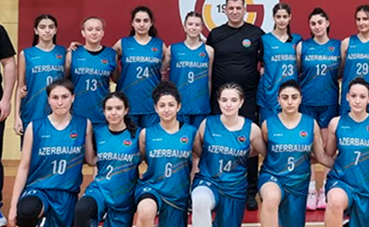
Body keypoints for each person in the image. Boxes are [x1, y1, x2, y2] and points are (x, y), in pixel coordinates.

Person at [205, 0, 265, 210]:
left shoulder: (256, 34)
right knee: (217, 143)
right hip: (220, 99)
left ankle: (250, 191)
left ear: (245, 9)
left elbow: (267, 62)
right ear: (225, 10)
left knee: (248, 141)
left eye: (238, 8)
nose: (235, 11)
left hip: (247, 97)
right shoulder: (215, 34)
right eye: (231, 8)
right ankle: (216, 187)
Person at [8, 79, 93, 227]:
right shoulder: (35, 127)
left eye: (64, 97)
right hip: (39, 190)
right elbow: (23, 167)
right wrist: (13, 206)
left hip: (67, 193)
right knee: (27, 210)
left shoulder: (84, 125)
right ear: (48, 100)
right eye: (55, 97)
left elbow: (91, 160)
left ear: (73, 98)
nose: (60, 102)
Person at [258, 80, 334, 227]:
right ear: (278, 100)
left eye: (294, 97)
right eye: (285, 97)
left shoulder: (311, 124)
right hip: (273, 176)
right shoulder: (268, 125)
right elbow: (266, 153)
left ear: (300, 99)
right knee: (271, 197)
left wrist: (344, 165)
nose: (290, 102)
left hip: (299, 182)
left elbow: (321, 157)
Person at [191, 83, 266, 227]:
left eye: (234, 100)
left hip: (234, 187)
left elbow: (265, 153)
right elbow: (199, 151)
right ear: (218, 101)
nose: (228, 104)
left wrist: (243, 154)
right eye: (224, 100)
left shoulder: (251, 129)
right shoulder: (207, 124)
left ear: (241, 102)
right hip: (208, 181)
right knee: (200, 201)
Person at [324, 77, 369, 227]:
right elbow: (329, 154)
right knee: (335, 201)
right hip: (341, 181)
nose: (357, 101)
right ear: (347, 97)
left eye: (362, 96)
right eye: (353, 96)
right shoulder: (336, 123)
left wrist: (366, 161)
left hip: (367, 187)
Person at [135, 81, 198, 227]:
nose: (167, 109)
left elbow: (198, 156)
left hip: (178, 193)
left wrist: (193, 185)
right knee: (145, 212)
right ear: (156, 108)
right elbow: (138, 160)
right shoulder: (146, 134)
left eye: (171, 105)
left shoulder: (191, 132)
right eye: (162, 105)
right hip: (152, 187)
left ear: (178, 107)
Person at [74, 91, 142, 227]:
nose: (113, 112)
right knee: (82, 210)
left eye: (118, 108)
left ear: (126, 110)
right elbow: (92, 161)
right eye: (109, 109)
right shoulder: (98, 133)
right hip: (100, 189)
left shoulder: (139, 135)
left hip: (124, 194)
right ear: (104, 111)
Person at [296, 7, 341, 210]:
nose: (317, 26)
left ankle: (326, 188)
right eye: (313, 23)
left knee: (327, 148)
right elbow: (299, 70)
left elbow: (341, 72)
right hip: (308, 101)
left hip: (329, 101)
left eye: (320, 22)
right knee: (309, 147)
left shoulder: (337, 47)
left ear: (327, 23)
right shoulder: (303, 47)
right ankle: (311, 189)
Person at [113, 6, 166, 128]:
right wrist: (80, 49)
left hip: (151, 103)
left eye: (145, 21)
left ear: (151, 23)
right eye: (138, 21)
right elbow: (104, 57)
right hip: (128, 103)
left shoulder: (159, 45)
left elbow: (169, 62)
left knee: (149, 138)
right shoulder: (123, 43)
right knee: (130, 139)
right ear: (132, 23)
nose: (142, 24)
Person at [14, 14, 65, 137]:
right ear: (36, 31)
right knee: (31, 147)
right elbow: (20, 86)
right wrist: (16, 117)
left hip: (58, 110)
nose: (47, 30)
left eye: (51, 27)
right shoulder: (26, 54)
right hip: (33, 109)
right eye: (42, 27)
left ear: (56, 30)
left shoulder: (64, 52)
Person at [165, 11, 214, 127]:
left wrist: (207, 100)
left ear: (202, 27)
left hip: (200, 105)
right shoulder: (173, 49)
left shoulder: (208, 51)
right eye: (190, 24)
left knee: (199, 137)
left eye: (197, 25)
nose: (193, 27)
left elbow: (209, 79)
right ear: (185, 27)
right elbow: (162, 71)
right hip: (179, 104)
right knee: (180, 136)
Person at [65, 16, 117, 127]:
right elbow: (63, 81)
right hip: (77, 113)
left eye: (98, 29)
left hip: (102, 114)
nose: (94, 33)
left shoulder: (111, 55)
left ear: (103, 33)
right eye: (90, 29)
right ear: (83, 33)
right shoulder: (73, 54)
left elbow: (117, 79)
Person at [257, 3, 302, 123]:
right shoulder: (264, 40)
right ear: (273, 17)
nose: (282, 20)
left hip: (291, 94)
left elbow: (301, 66)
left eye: (285, 17)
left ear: (290, 17)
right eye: (278, 17)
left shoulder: (297, 40)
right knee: (268, 129)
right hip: (269, 94)